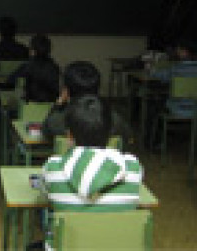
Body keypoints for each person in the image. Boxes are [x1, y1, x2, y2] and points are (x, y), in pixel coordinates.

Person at [42, 95, 143, 248]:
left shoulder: (53, 168)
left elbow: (46, 194)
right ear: (110, 133)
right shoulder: (132, 167)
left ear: (69, 135)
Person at [42, 61, 132, 144]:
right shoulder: (114, 119)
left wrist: (58, 104)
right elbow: (127, 137)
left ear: (66, 91)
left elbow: (46, 131)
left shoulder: (57, 121)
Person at [5, 33, 59, 103]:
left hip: (30, 107)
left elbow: (10, 80)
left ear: (32, 51)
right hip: (51, 107)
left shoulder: (27, 66)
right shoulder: (54, 67)